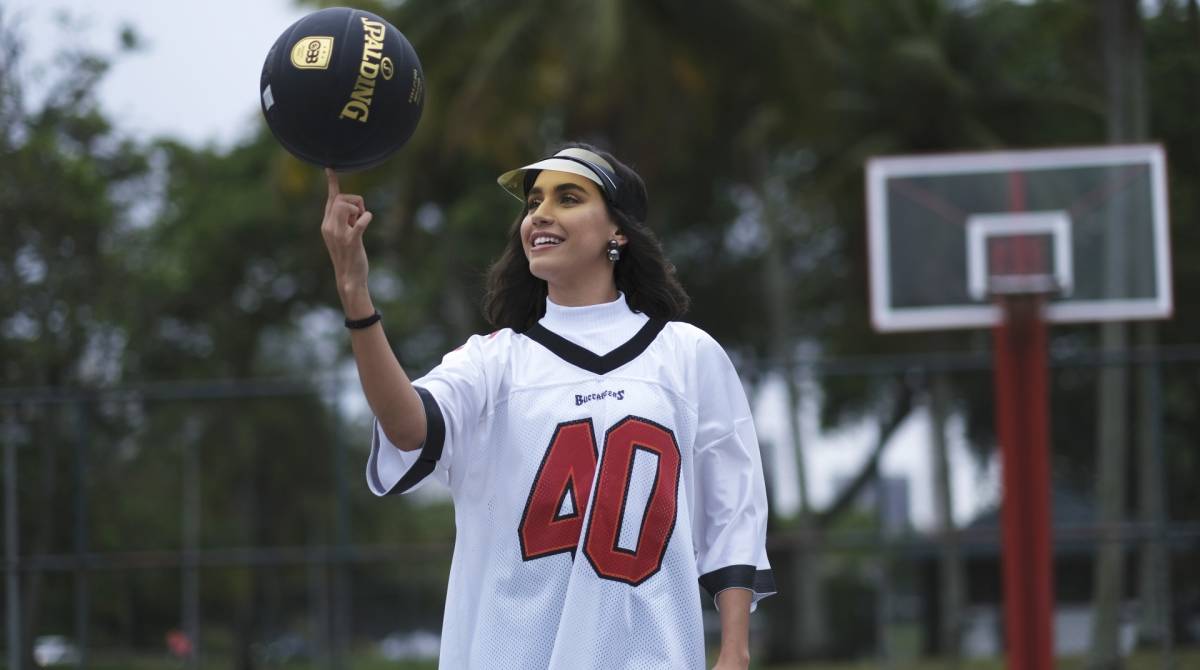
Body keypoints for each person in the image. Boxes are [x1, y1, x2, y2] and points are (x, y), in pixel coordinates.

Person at [321, 143, 775, 669]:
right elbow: (406, 427)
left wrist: (735, 651)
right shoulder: (493, 362)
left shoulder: (687, 354)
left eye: (568, 198)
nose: (540, 214)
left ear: (618, 231)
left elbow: (732, 511)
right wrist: (356, 294)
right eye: (534, 202)